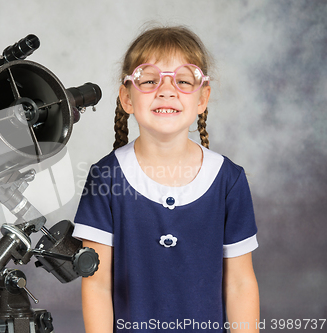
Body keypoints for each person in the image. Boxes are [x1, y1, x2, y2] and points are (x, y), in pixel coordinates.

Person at [72, 26, 260, 332]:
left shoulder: (229, 180)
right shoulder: (105, 178)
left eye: (183, 81)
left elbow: (240, 284)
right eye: (149, 80)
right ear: (127, 98)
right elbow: (97, 286)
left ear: (203, 99)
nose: (167, 89)